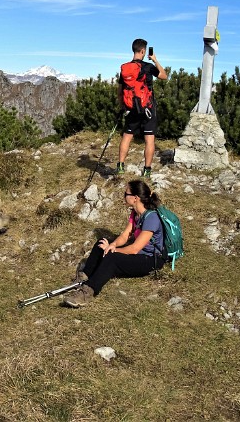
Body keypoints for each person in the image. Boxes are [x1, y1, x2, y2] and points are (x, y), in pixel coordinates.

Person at [63, 179, 166, 307]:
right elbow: (125, 235)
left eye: (126, 194)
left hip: (150, 260)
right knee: (102, 243)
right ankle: (83, 278)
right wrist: (113, 245)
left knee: (112, 258)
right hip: (139, 253)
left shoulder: (152, 218)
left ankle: (87, 292)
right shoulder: (135, 213)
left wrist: (113, 250)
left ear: (135, 198)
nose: (123, 196)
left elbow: (134, 248)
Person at [115, 38, 168, 178]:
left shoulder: (125, 68)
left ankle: (120, 165)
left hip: (131, 107)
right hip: (147, 108)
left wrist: (123, 105)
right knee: (149, 139)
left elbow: (120, 90)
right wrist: (155, 60)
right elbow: (164, 76)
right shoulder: (147, 67)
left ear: (133, 49)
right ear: (143, 51)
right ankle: (147, 170)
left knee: (127, 136)